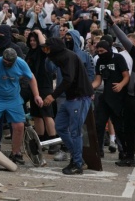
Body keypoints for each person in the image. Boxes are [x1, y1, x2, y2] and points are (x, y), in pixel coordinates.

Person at [104, 13, 135, 169]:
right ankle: (129, 157)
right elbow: (124, 38)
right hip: (130, 96)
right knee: (128, 127)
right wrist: (112, 25)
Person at [41, 37, 94, 175]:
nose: (45, 51)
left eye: (47, 48)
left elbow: (68, 79)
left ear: (55, 48)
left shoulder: (67, 57)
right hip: (71, 98)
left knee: (75, 131)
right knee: (60, 127)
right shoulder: (62, 56)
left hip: (80, 97)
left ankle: (77, 164)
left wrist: (53, 95)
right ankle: (78, 158)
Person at [91, 40, 129, 159]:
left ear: (108, 49)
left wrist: (121, 85)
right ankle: (99, 150)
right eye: (98, 51)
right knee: (99, 124)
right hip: (105, 95)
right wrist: (89, 88)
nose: (100, 53)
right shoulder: (99, 61)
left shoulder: (118, 58)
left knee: (119, 126)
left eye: (102, 51)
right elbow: (98, 80)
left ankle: (124, 151)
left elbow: (126, 76)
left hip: (118, 97)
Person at [24, 29, 58, 153]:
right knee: (36, 115)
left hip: (44, 86)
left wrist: (38, 33)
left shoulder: (43, 52)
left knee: (46, 114)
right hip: (33, 87)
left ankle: (53, 142)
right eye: (31, 40)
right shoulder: (30, 53)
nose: (33, 43)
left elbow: (45, 45)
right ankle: (41, 140)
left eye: (35, 40)